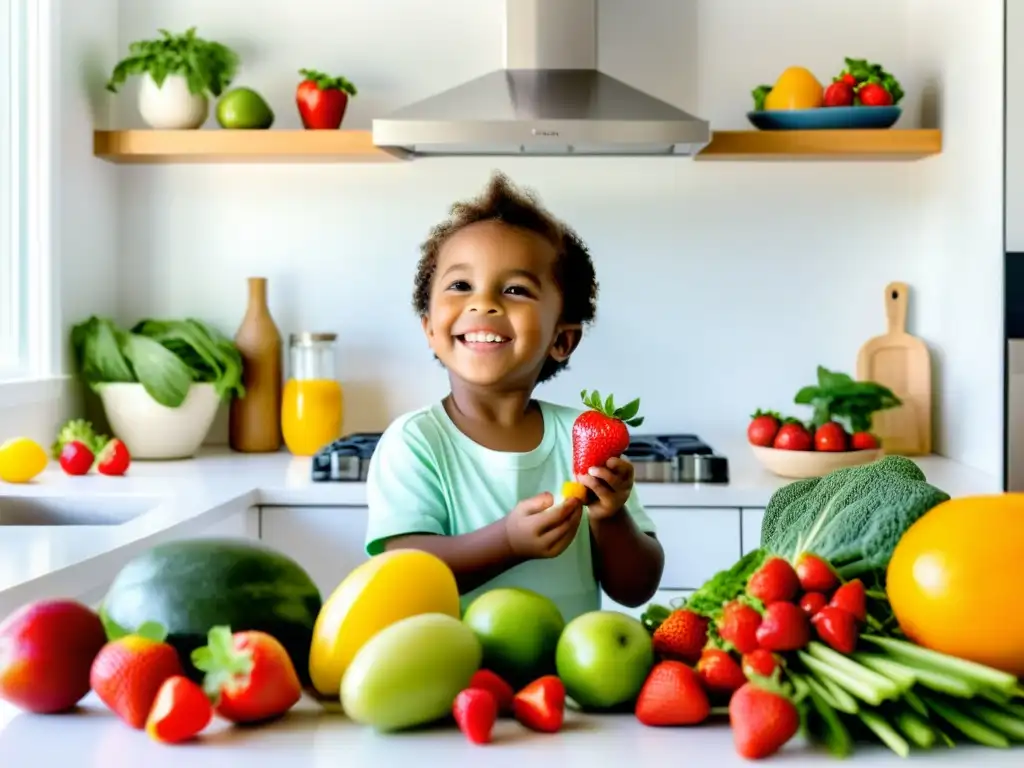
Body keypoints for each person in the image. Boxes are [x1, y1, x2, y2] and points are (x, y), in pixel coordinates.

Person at [364, 172, 665, 623]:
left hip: (571, 681)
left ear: (561, 340)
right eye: (461, 286)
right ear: (430, 328)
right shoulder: (415, 442)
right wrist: (507, 542)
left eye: (515, 290)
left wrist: (609, 516)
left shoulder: (584, 435)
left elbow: (636, 588)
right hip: (458, 680)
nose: (483, 304)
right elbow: (402, 571)